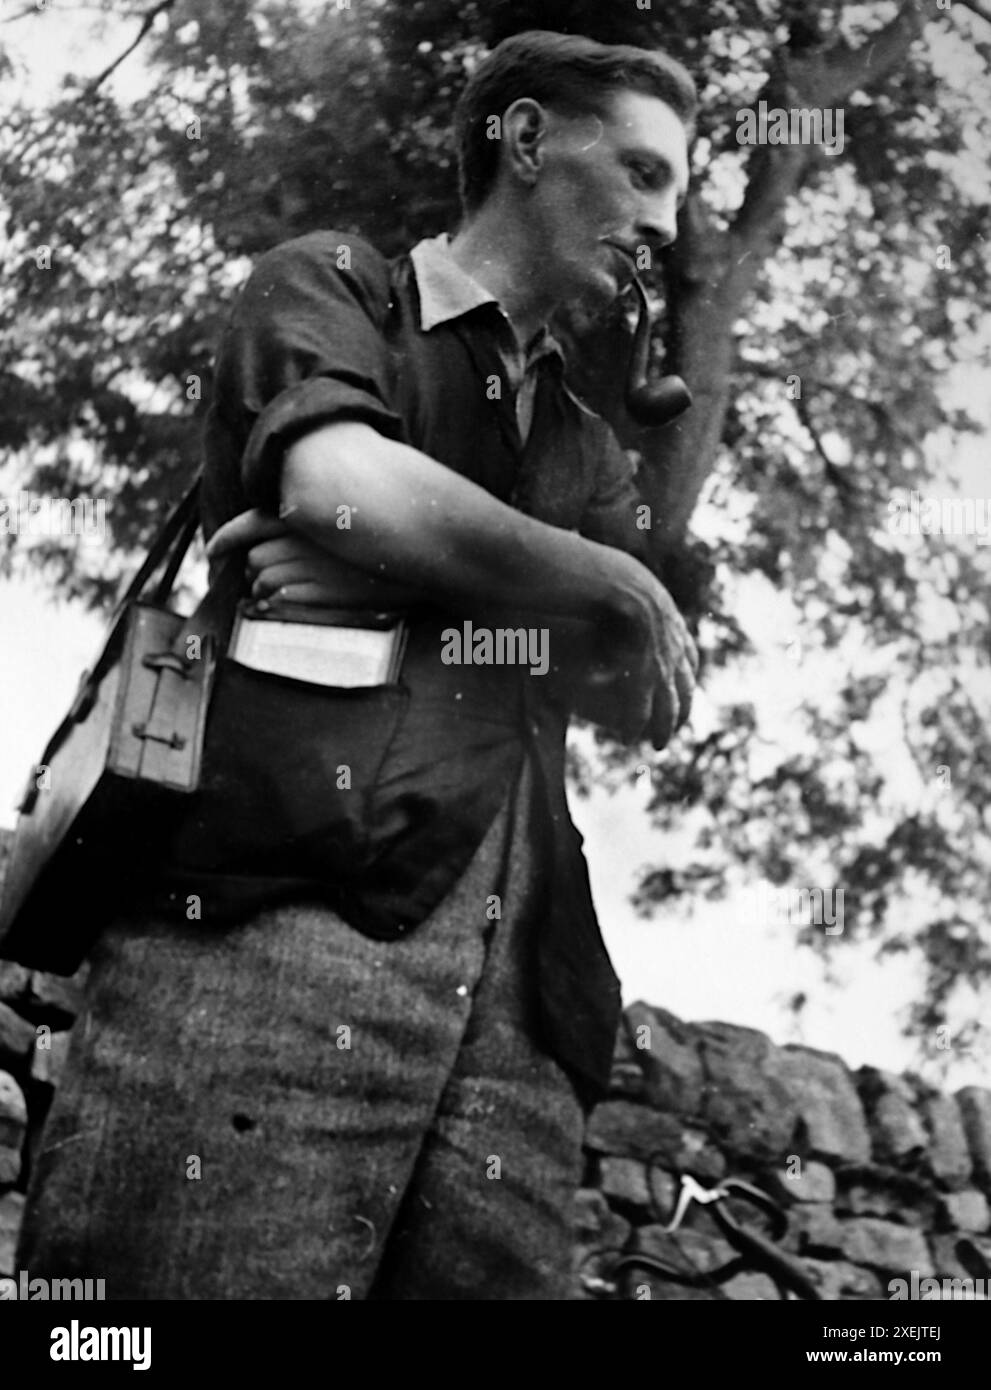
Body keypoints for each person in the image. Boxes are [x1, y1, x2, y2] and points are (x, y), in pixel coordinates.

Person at [17, 29, 698, 1300]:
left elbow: (640, 687)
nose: (666, 222)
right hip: (263, 932)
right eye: (648, 173)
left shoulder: (592, 445)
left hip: (521, 1022)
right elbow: (337, 484)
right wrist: (601, 577)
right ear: (531, 141)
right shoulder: (332, 285)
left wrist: (396, 565)